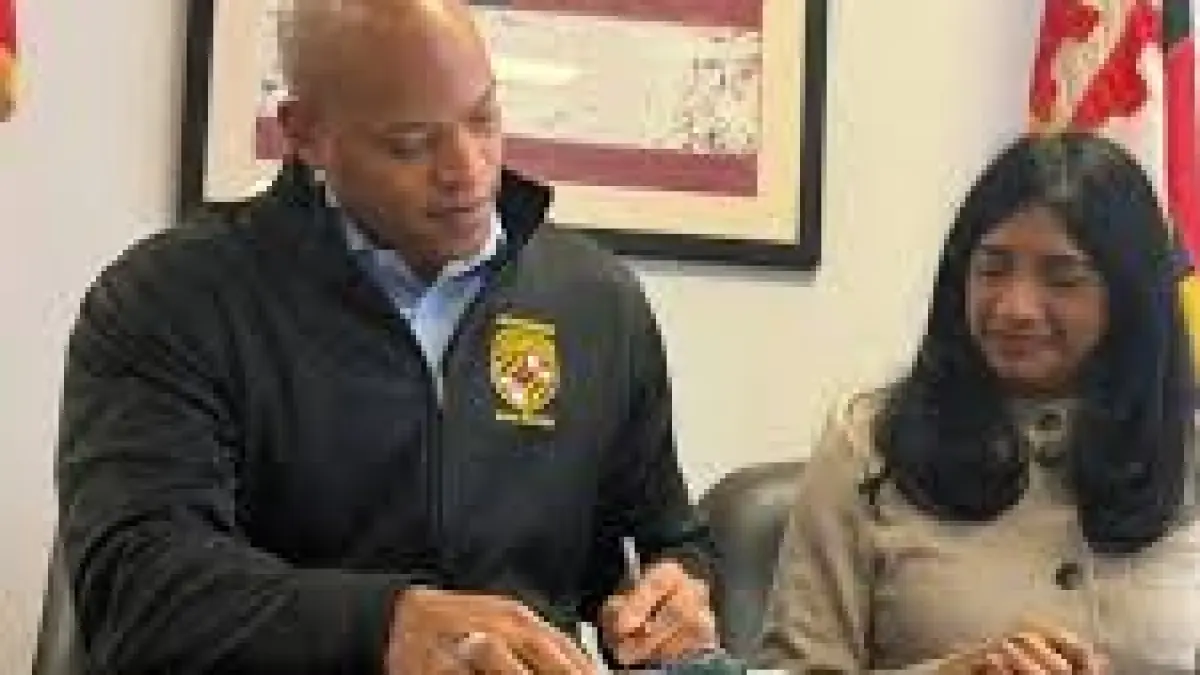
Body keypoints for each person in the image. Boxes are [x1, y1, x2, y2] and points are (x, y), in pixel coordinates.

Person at [54, 0, 718, 672]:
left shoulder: (595, 301)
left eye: (483, 118)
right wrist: (383, 624)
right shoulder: (173, 300)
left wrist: (673, 594)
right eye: (411, 143)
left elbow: (662, 538)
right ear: (306, 133)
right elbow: (137, 590)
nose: (468, 169)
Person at [757, 132, 1200, 674]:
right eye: (991, 269)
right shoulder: (868, 446)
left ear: (1130, 296)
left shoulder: (1187, 452)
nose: (1015, 307)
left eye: (1062, 279)